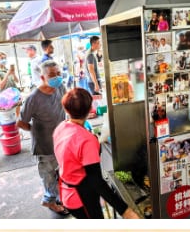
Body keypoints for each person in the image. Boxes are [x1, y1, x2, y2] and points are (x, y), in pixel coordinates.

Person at [53, 88, 139, 219]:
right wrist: (126, 211)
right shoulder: (87, 140)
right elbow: (96, 181)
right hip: (81, 198)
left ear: (66, 109)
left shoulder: (61, 128)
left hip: (66, 192)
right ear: (90, 110)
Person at [17, 60, 69, 216]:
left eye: (58, 73)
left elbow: (66, 105)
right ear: (42, 77)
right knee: (48, 175)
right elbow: (21, 122)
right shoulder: (34, 98)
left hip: (61, 141)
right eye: (52, 75)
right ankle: (50, 201)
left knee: (60, 172)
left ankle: (59, 196)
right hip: (44, 145)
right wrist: (36, 130)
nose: (57, 77)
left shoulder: (60, 87)